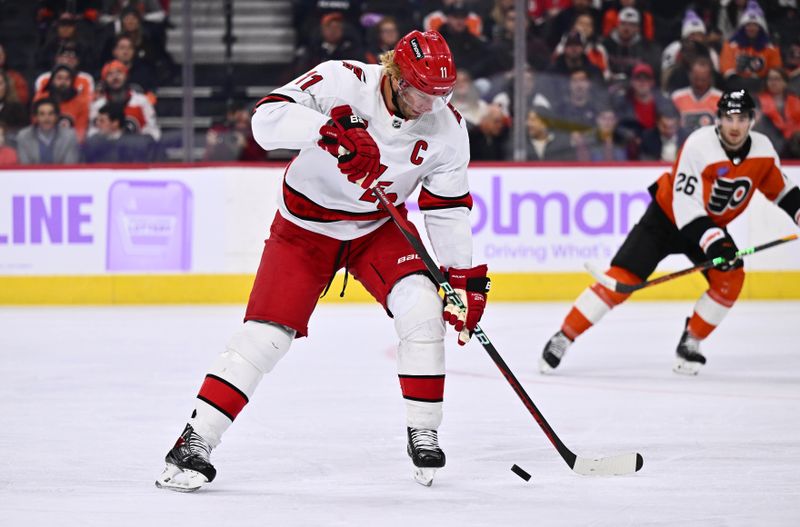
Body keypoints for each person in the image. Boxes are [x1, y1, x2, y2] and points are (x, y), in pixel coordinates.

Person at [155, 30, 490, 492]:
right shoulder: (343, 80)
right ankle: (194, 441)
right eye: (417, 92)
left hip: (377, 228)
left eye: (439, 95)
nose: (427, 106)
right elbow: (266, 120)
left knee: (422, 306)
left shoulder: (447, 128)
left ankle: (425, 431)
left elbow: (447, 209)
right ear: (393, 74)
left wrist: (461, 279)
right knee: (266, 337)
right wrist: (329, 130)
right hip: (304, 228)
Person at [539, 89, 800, 376]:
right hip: (667, 219)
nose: (735, 126)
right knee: (622, 279)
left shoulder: (762, 149)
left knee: (731, 276)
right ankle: (564, 336)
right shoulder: (699, 145)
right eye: (729, 118)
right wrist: (716, 242)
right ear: (718, 119)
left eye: (741, 118)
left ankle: (691, 341)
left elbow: (782, 189)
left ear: (753, 120)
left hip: (708, 226)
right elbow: (685, 204)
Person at [16, 97, 80, 164]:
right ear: (36, 117)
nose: (46, 118)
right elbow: (25, 168)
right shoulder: (23, 136)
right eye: (42, 114)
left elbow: (70, 167)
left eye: (50, 114)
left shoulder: (69, 136)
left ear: (56, 116)